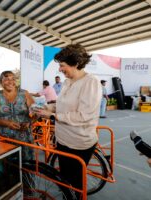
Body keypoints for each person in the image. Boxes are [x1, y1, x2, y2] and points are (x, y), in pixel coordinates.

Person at [34, 44, 102, 198]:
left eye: (62, 66)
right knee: (65, 181)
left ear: (76, 64)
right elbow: (62, 104)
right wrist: (48, 107)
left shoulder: (90, 82)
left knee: (75, 185)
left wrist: (52, 116)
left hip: (78, 144)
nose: (60, 69)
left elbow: (83, 115)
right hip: (63, 140)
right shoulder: (67, 82)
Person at [0, 70, 35, 161]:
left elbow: (36, 112)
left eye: (13, 79)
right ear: (0, 82)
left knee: (26, 165)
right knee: (7, 165)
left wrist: (29, 123)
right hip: (4, 138)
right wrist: (7, 123)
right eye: (6, 79)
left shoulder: (24, 94)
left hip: (24, 137)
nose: (10, 82)